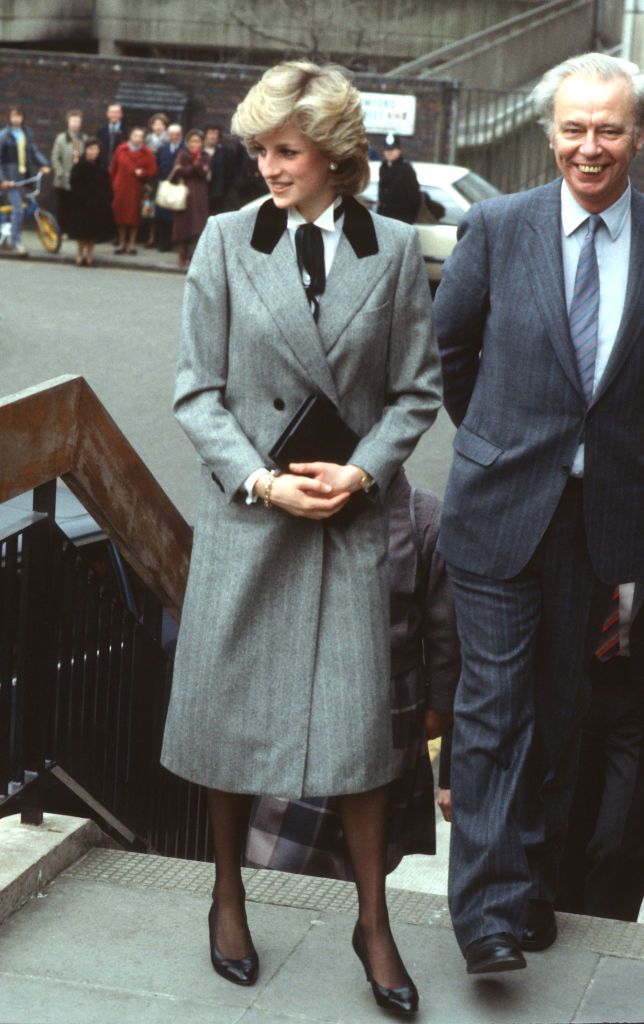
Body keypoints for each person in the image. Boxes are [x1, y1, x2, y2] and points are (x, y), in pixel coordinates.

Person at [160, 60, 441, 1017]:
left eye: (287, 151)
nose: (269, 167)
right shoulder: (227, 240)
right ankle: (227, 896)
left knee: (361, 737)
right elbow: (195, 389)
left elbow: (415, 392)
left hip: (348, 525)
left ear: (334, 156)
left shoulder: (396, 247)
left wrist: (362, 473)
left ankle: (373, 924)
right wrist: (263, 479)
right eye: (260, 151)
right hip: (252, 516)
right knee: (233, 723)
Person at [433, 51, 644, 975]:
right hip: (499, 507)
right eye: (573, 128)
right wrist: (507, 443)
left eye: (609, 129)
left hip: (599, 522)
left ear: (637, 137)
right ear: (547, 133)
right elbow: (454, 358)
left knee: (558, 710)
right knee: (492, 708)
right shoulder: (497, 225)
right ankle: (485, 916)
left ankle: (525, 887)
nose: (588, 148)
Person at [245, 472, 458, 880]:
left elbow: (443, 627)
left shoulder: (423, 515)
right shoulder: (305, 500)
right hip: (309, 709)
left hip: (387, 707)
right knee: (278, 860)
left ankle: (353, 930)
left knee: (363, 863)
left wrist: (440, 707)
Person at [557, 584, 644, 921]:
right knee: (566, 833)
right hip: (573, 693)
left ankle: (606, 937)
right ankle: (560, 929)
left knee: (617, 842)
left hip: (635, 701)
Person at [0, 105, 51, 255]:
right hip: (10, 180)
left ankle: (7, 235)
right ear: (9, 117)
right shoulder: (3, 135)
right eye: (13, 115)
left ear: (23, 118)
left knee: (18, 208)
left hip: (23, 178)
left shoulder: (25, 134)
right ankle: (16, 242)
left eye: (19, 115)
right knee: (17, 209)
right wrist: (2, 179)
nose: (16, 118)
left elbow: (33, 151)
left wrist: (43, 164)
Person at [109, 125, 156, 254]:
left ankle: (132, 244)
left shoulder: (147, 152)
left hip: (136, 189)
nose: (138, 139)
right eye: (135, 135)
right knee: (120, 215)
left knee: (134, 217)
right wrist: (113, 185)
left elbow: (153, 171)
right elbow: (113, 169)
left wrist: (144, 172)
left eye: (141, 136)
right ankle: (122, 243)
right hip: (120, 188)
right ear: (130, 136)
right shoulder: (121, 149)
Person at [68, 136, 112, 266]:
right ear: (86, 150)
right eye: (91, 149)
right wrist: (84, 198)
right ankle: (79, 254)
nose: (94, 152)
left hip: (97, 203)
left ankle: (90, 255)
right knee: (82, 232)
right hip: (82, 203)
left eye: (96, 149)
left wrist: (105, 197)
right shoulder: (79, 165)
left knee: (93, 233)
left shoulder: (102, 165)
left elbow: (106, 184)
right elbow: (74, 183)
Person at [171, 128, 210, 268]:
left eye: (198, 141)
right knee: (183, 225)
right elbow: (180, 170)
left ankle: (194, 256)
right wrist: (193, 165)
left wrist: (196, 164)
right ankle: (181, 255)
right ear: (188, 142)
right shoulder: (182, 153)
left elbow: (204, 173)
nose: (195, 144)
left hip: (199, 194)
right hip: (184, 193)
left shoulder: (205, 155)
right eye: (192, 141)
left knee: (197, 226)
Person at [50, 108, 86, 236]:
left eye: (78, 121)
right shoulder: (61, 138)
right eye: (73, 121)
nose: (76, 123)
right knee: (63, 207)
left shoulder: (84, 139)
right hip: (63, 180)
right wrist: (60, 172)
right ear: (68, 122)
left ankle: (72, 231)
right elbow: (55, 157)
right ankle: (61, 231)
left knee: (75, 207)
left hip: (78, 181)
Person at [377, 133, 420, 225]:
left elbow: (415, 197)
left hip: (401, 221)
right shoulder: (383, 167)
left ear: (399, 150)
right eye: (387, 149)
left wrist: (409, 220)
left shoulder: (406, 169)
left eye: (393, 149)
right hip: (384, 221)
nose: (389, 152)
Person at [155, 123, 185, 252]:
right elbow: (157, 165)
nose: (174, 137)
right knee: (163, 216)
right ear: (168, 135)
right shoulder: (163, 148)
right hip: (164, 186)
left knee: (177, 217)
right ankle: (163, 244)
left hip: (179, 187)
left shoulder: (184, 149)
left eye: (177, 134)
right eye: (172, 134)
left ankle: (176, 245)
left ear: (181, 135)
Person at [203, 125, 234, 216]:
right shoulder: (200, 151)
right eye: (210, 133)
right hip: (201, 192)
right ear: (205, 135)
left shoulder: (225, 152)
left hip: (218, 193)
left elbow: (230, 171)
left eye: (215, 134)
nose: (212, 136)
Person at [96, 102, 127, 168]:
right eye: (112, 112)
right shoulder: (100, 132)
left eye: (117, 112)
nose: (114, 115)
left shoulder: (127, 133)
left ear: (121, 114)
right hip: (102, 168)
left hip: (120, 169)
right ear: (107, 114)